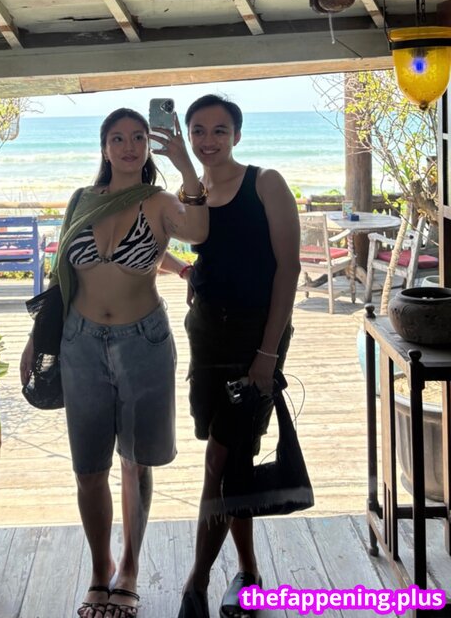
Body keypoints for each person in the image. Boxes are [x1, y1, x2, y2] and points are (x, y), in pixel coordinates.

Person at [20, 107, 208, 618]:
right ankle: (99, 569)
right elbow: (62, 273)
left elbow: (197, 232)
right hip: (80, 342)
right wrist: (37, 339)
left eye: (138, 137)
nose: (128, 146)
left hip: (142, 342)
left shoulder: (160, 200)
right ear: (104, 147)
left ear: (148, 146)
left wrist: (185, 164)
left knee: (134, 463)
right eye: (118, 138)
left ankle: (129, 568)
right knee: (88, 468)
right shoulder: (82, 200)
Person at [176, 94, 301, 618]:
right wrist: (187, 271)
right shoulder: (193, 192)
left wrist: (268, 353)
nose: (208, 141)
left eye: (219, 130)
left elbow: (288, 269)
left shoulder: (265, 183)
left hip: (255, 336)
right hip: (206, 336)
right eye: (199, 131)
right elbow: (174, 239)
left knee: (220, 460)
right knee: (234, 458)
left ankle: (197, 584)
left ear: (237, 136)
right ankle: (249, 572)